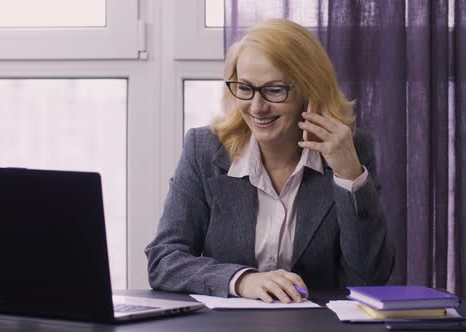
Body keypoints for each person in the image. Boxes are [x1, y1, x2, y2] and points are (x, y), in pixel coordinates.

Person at [145, 19, 394, 304]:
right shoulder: (204, 149)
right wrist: (242, 280)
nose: (257, 107)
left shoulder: (352, 149)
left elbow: (369, 278)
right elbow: (164, 259)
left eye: (275, 90)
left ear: (309, 90)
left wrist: (348, 174)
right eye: (246, 88)